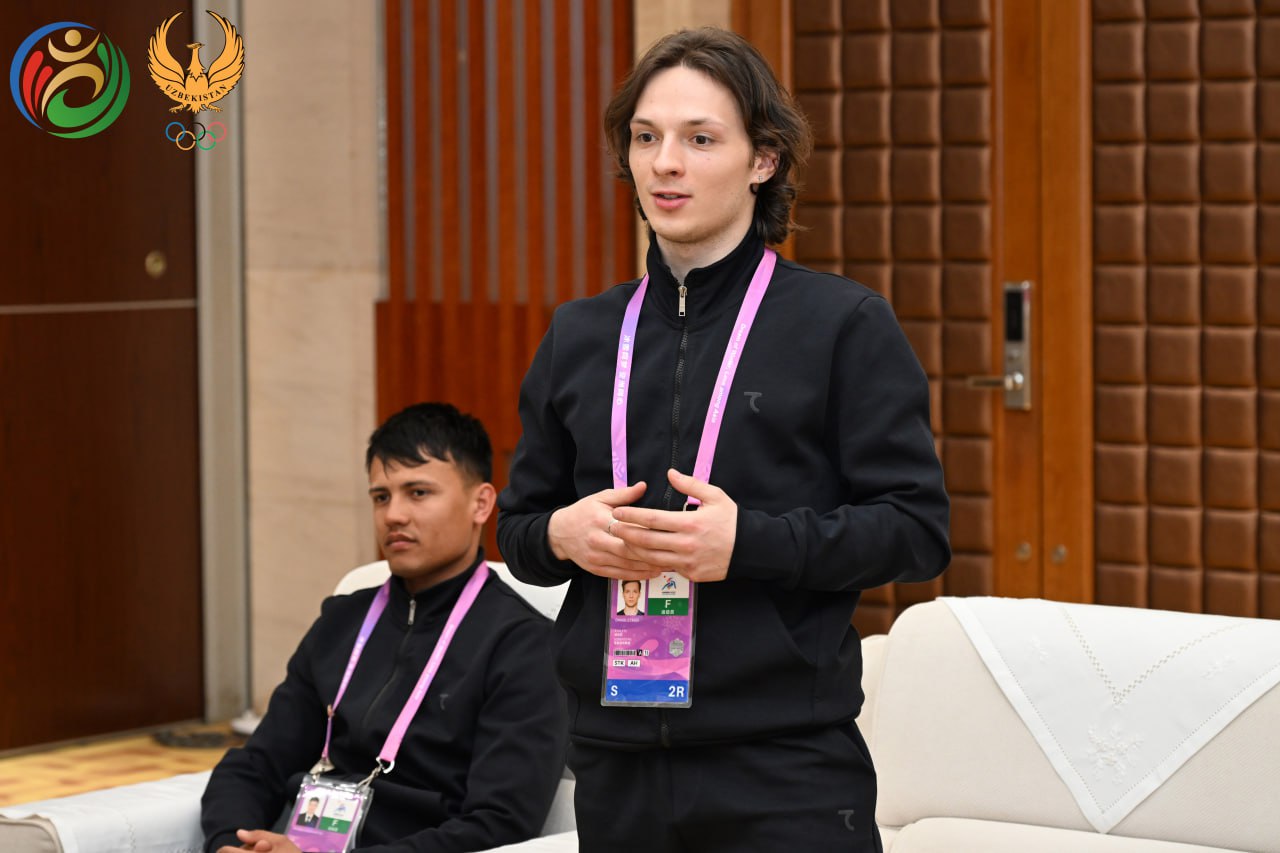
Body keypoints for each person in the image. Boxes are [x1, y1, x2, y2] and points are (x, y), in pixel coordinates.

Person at [497, 27, 950, 852]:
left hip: (783, 764)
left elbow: (916, 531)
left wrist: (748, 543)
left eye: (700, 139)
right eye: (646, 138)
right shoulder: (580, 333)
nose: (665, 164)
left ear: (763, 159)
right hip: (616, 760)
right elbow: (519, 531)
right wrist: (562, 533)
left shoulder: (841, 323)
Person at [202, 403, 568, 853]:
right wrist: (230, 842)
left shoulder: (521, 644)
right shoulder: (341, 621)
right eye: (381, 497)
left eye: (418, 492)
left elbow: (498, 824)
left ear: (481, 503)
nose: (394, 515)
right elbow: (256, 765)